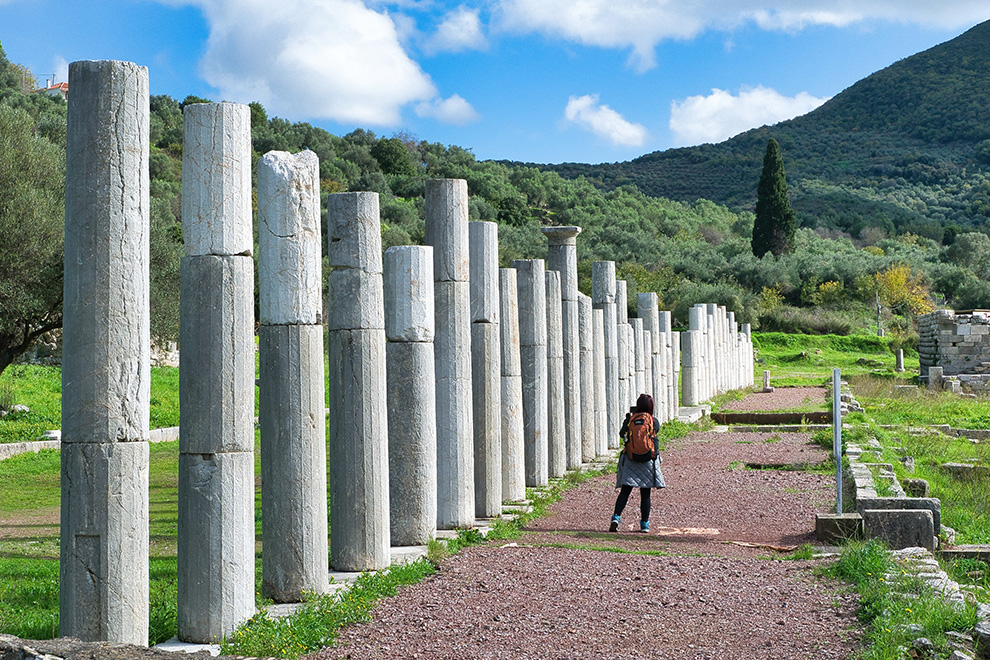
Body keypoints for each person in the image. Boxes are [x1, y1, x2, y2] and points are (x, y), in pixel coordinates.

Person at [610, 393, 665, 533]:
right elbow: (655, 432)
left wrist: (629, 419)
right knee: (645, 493)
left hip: (631, 458)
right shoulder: (653, 420)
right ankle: (645, 524)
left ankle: (616, 518)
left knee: (625, 491)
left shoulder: (630, 420)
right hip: (648, 459)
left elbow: (622, 434)